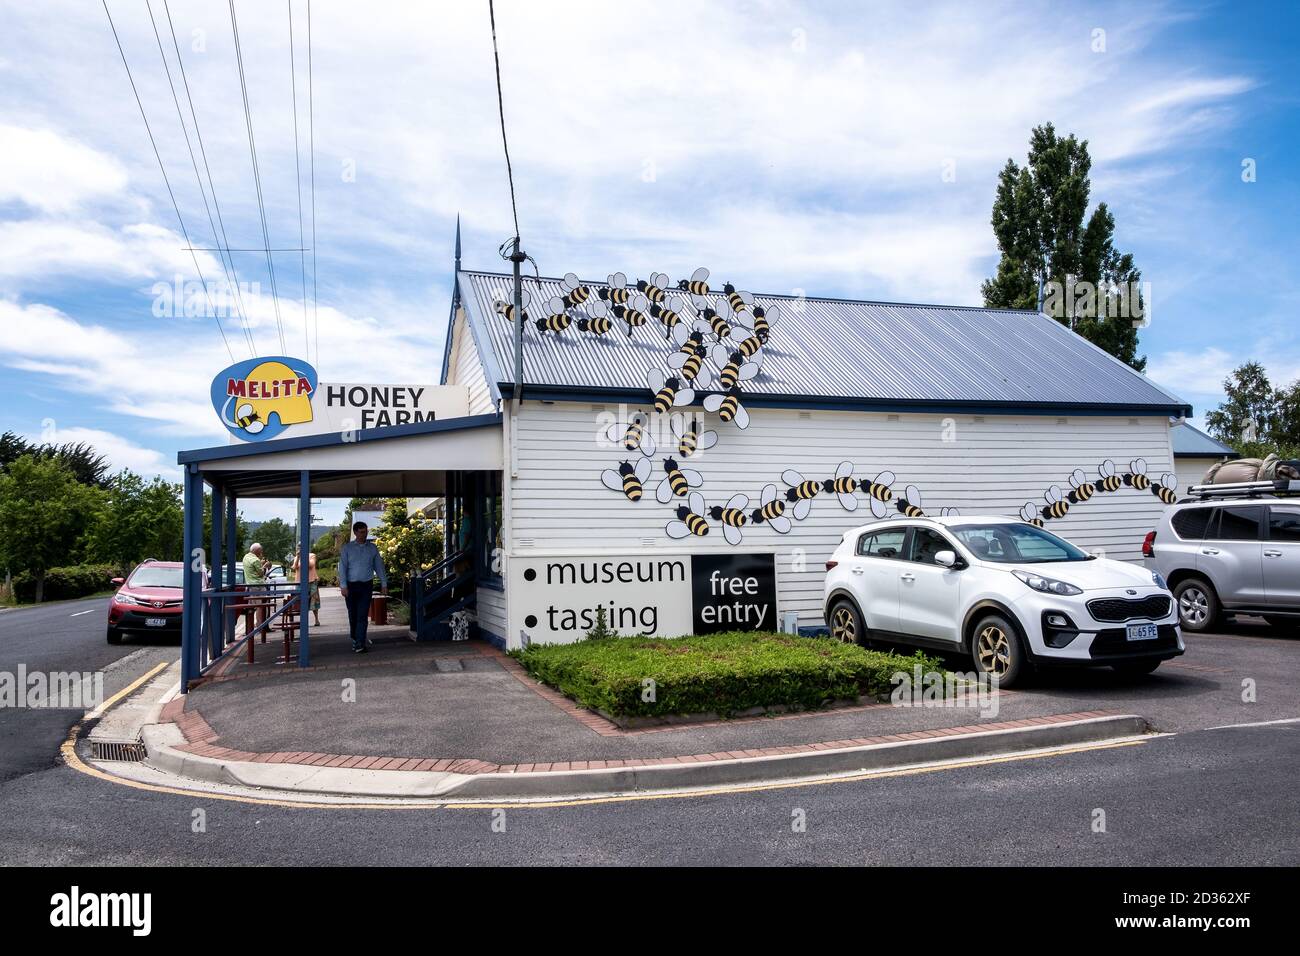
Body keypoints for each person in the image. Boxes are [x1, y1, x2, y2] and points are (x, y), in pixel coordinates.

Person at [338, 521, 387, 653]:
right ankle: (355, 638)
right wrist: (343, 586)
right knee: (353, 614)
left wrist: (384, 583)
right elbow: (342, 568)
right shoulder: (347, 548)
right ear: (355, 532)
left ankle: (360, 642)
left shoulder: (372, 548)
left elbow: (379, 566)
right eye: (361, 532)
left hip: (366, 585)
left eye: (365, 532)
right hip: (351, 585)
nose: (364, 535)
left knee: (362, 615)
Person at [241, 543, 271, 628]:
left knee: (251, 607)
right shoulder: (256, 560)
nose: (261, 553)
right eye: (260, 551)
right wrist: (265, 566)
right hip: (259, 586)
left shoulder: (246, 557)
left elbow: (253, 569)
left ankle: (249, 627)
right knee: (260, 606)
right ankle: (260, 625)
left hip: (250, 585)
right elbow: (261, 573)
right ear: (257, 551)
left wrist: (260, 563)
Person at [292, 546, 321, 627]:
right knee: (301, 601)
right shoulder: (296, 557)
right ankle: (304, 620)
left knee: (314, 601)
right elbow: (294, 567)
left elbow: (311, 565)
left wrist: (304, 556)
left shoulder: (312, 555)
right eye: (299, 547)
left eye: (301, 547)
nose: (300, 549)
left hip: (311, 581)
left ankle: (316, 619)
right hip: (300, 582)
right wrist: (298, 557)